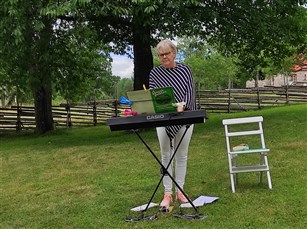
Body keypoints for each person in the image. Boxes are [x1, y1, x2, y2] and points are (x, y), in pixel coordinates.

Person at [149, 39, 196, 209]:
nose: (164, 57)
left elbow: (190, 92)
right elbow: (153, 95)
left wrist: (183, 105)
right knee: (165, 156)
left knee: (181, 155)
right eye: (161, 55)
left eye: (167, 54)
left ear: (174, 53)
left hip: (184, 117)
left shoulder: (185, 70)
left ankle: (180, 191)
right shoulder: (155, 73)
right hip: (162, 118)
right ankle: (167, 193)